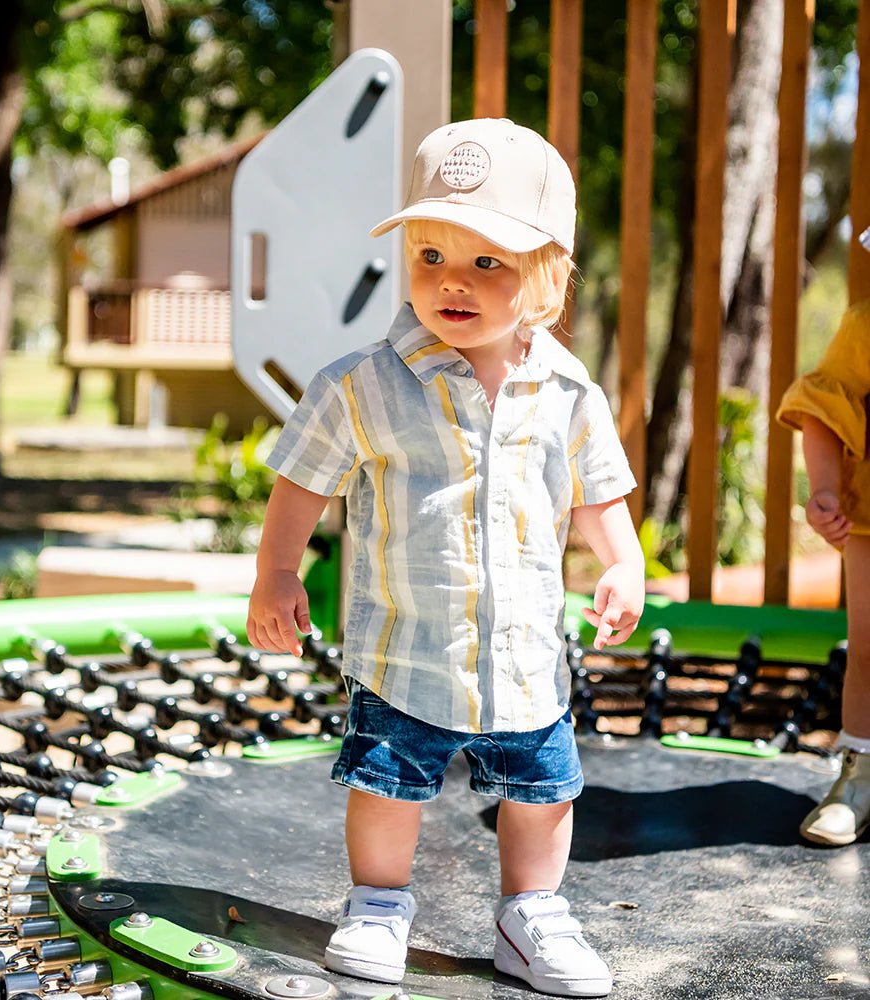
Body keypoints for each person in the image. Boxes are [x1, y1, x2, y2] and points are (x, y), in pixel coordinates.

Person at [247, 118, 645, 997]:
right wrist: (278, 572)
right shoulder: (364, 382)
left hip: (525, 651)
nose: (450, 283)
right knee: (389, 783)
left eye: (486, 264)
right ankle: (380, 904)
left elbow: (596, 491)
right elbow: (303, 482)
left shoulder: (570, 389)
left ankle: (530, 912)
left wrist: (622, 561)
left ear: (548, 273)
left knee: (543, 793)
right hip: (404, 647)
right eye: (430, 257)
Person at [776, 227, 870, 847]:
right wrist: (827, 490)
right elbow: (821, 408)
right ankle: (860, 777)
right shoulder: (865, 325)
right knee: (868, 645)